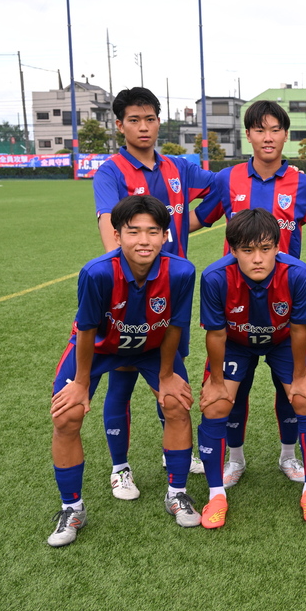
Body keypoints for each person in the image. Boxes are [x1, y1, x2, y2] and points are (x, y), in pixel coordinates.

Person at [192, 100, 306, 491]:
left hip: (282, 307)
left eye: (275, 130)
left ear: (286, 135)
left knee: (291, 390)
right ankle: (234, 460)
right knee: (231, 392)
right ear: (248, 135)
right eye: (259, 130)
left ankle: (288, 455)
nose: (267, 137)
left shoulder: (304, 185)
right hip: (235, 305)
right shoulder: (228, 179)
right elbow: (199, 218)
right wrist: (151, 234)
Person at [47, 196, 198, 547]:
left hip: (152, 347)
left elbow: (175, 326)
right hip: (99, 349)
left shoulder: (181, 272)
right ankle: (72, 508)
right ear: (117, 236)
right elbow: (86, 330)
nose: (144, 240)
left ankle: (177, 493)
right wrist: (81, 382)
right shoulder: (97, 272)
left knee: (176, 404)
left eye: (153, 231)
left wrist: (166, 376)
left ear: (165, 235)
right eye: (134, 231)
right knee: (67, 415)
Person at [92, 87, 213, 499]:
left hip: (171, 291)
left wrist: (191, 224)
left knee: (172, 377)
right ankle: (120, 468)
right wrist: (127, 276)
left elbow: (221, 189)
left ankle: (172, 452)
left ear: (159, 121)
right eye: (134, 120)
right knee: (122, 380)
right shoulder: (111, 172)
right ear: (120, 125)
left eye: (150, 119)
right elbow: (110, 230)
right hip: (128, 295)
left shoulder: (179, 167)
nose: (143, 127)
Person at [197, 209, 306, 527]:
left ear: (277, 247)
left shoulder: (298, 274)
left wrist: (300, 378)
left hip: (282, 340)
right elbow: (216, 335)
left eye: (265, 249)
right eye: (247, 250)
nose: (257, 258)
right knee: (217, 404)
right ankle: (220, 488)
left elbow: (298, 329)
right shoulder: (215, 277)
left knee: (305, 399)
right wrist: (216, 382)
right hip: (235, 343)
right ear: (233, 250)